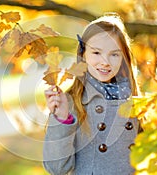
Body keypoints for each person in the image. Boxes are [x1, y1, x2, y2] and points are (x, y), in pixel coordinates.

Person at [43, 12, 140, 175]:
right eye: (96, 53)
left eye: (114, 54)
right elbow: (56, 168)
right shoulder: (72, 102)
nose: (105, 62)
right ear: (83, 55)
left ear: (123, 58)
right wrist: (62, 118)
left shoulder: (134, 99)